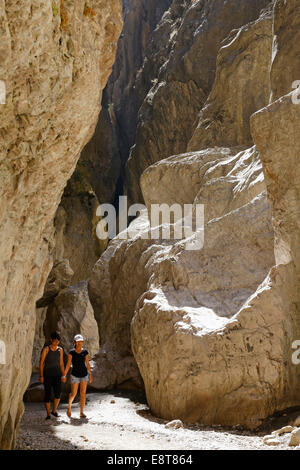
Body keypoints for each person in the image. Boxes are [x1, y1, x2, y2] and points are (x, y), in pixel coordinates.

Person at [64, 334, 93, 418]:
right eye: (78, 341)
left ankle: (81, 412)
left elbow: (87, 363)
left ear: (83, 342)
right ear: (75, 342)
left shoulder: (85, 352)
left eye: (81, 341)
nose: (80, 343)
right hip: (75, 375)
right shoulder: (71, 352)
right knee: (73, 393)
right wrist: (64, 375)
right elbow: (68, 364)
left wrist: (90, 374)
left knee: (83, 393)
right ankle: (69, 407)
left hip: (84, 375)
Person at [39, 331, 66, 420]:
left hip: (57, 374)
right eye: (55, 341)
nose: (56, 343)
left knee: (58, 393)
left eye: (58, 341)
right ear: (51, 340)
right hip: (47, 375)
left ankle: (54, 411)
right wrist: (41, 376)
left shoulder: (60, 350)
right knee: (48, 394)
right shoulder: (46, 349)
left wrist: (64, 375)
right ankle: (48, 414)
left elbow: (61, 363)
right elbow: (41, 363)